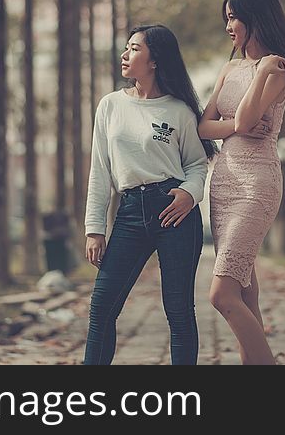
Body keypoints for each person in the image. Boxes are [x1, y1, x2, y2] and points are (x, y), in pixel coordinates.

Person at [82, 24, 216, 365]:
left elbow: (198, 164)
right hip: (129, 213)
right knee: (101, 308)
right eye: (126, 48)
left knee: (179, 312)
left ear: (155, 59)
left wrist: (189, 194)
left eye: (135, 49)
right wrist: (95, 228)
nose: (125, 55)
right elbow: (100, 170)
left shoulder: (179, 111)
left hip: (175, 211)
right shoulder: (110, 105)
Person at [199, 0, 285, 365]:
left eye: (234, 18)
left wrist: (262, 70)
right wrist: (235, 125)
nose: (228, 26)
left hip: (256, 184)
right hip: (223, 184)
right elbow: (204, 127)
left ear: (255, 19)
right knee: (246, 293)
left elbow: (248, 118)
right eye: (226, 18)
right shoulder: (230, 68)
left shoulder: (276, 68)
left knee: (222, 294)